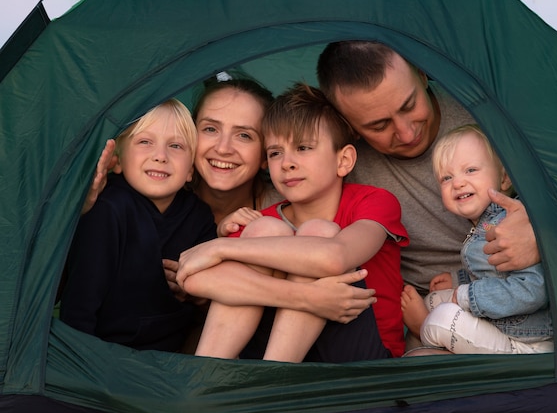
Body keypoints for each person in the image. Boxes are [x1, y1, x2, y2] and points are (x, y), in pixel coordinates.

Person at [81, 76, 378, 331]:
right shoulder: (152, 192)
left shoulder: (288, 205)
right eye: (210, 129)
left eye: (244, 135)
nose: (223, 148)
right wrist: (80, 208)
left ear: (266, 153)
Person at [316, 41, 541, 350]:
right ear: (349, 128)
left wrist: (543, 235)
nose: (407, 133)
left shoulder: (490, 118)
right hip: (426, 308)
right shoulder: (340, 161)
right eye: (380, 125)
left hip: (518, 303)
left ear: (422, 74)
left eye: (409, 106)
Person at [176, 83, 409, 363]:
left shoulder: (374, 202)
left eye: (303, 147)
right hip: (274, 349)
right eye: (275, 152)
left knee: (318, 232)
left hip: (359, 356)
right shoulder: (262, 221)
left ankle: (274, 384)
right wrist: (306, 296)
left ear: (344, 160)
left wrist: (221, 247)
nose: (287, 163)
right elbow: (195, 279)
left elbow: (334, 258)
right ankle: (204, 379)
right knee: (266, 231)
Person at [60, 99, 217, 351]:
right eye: (145, 142)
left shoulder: (198, 216)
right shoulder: (108, 208)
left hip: (173, 357)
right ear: (118, 161)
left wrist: (191, 286)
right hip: (107, 351)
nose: (160, 156)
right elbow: (80, 304)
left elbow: (207, 299)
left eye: (176, 146)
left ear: (191, 170)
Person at [401, 124, 553, 354]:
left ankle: (422, 329)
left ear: (504, 179)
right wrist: (458, 279)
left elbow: (533, 291)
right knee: (431, 300)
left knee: (442, 317)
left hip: (528, 341)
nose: (458, 183)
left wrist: (466, 296)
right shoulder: (484, 223)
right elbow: (492, 273)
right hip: (502, 324)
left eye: (471, 170)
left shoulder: (510, 226)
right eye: (447, 177)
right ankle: (430, 341)